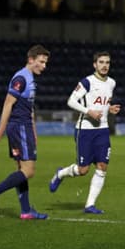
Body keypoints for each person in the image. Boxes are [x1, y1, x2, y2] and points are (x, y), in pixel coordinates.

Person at [0, 44, 50, 219]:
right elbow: (8, 103)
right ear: (31, 60)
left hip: (24, 126)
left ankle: (26, 210)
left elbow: (30, 107)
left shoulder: (30, 78)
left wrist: (33, 130)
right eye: (41, 62)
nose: (44, 66)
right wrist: (1, 130)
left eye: (45, 63)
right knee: (29, 170)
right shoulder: (21, 78)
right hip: (19, 126)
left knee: (21, 169)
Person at [48, 51, 120, 214]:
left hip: (102, 130)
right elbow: (71, 101)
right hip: (85, 130)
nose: (104, 65)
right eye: (101, 62)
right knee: (83, 170)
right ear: (94, 64)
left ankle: (90, 205)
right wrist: (89, 112)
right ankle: (60, 174)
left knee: (102, 166)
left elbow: (101, 103)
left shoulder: (112, 83)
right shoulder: (87, 82)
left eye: (107, 62)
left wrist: (110, 108)